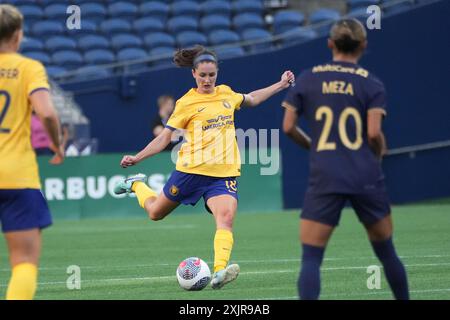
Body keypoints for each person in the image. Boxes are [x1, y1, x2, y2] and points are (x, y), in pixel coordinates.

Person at [114, 45, 294, 289]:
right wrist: (138, 157)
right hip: (190, 172)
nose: (207, 80)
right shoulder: (186, 103)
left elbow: (251, 99)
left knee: (226, 218)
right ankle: (136, 184)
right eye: (203, 75)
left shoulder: (226, 94)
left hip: (222, 175)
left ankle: (220, 271)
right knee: (155, 212)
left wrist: (281, 84)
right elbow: (165, 138)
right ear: (194, 74)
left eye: (212, 75)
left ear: (217, 73)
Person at [281, 18, 409, 300]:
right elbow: (374, 133)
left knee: (312, 258)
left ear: (330, 44)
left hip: (325, 173)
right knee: (387, 252)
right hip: (364, 173)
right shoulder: (371, 82)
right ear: (363, 45)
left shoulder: (309, 77)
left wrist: (313, 146)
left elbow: (288, 126)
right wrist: (377, 153)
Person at [0, 4, 64, 300]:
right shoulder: (28, 68)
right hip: (16, 176)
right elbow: (47, 113)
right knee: (24, 263)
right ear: (19, 34)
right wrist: (56, 142)